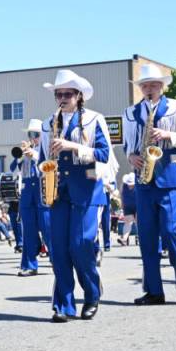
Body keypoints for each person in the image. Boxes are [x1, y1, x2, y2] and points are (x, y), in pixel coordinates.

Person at [121, 63, 176, 305]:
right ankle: (154, 290)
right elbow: (127, 144)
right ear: (140, 88)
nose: (149, 88)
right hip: (144, 179)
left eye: (154, 85)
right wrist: (130, 156)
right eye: (145, 85)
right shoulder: (130, 113)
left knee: (171, 231)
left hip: (171, 178)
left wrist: (169, 136)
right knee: (147, 236)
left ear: (162, 86)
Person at [39, 69, 112, 322]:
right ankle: (64, 305)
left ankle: (92, 293)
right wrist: (47, 172)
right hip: (58, 191)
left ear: (79, 96)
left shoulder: (93, 119)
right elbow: (42, 158)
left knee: (80, 245)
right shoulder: (49, 123)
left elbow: (103, 154)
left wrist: (73, 146)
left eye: (67, 94)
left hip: (87, 189)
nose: (62, 98)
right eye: (58, 94)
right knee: (58, 248)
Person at [16, 119, 51, 276]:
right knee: (28, 229)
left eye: (36, 135)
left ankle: (58, 260)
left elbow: (50, 165)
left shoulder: (47, 148)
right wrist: (21, 156)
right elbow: (12, 169)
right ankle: (29, 264)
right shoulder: (26, 150)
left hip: (41, 188)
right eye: (30, 134)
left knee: (47, 227)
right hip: (27, 190)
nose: (32, 138)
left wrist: (35, 155)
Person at [118, 173, 136, 246]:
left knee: (140, 223)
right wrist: (122, 204)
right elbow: (121, 194)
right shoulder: (123, 185)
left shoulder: (138, 186)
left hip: (138, 205)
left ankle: (143, 238)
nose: (130, 185)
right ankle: (124, 239)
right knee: (128, 222)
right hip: (128, 206)